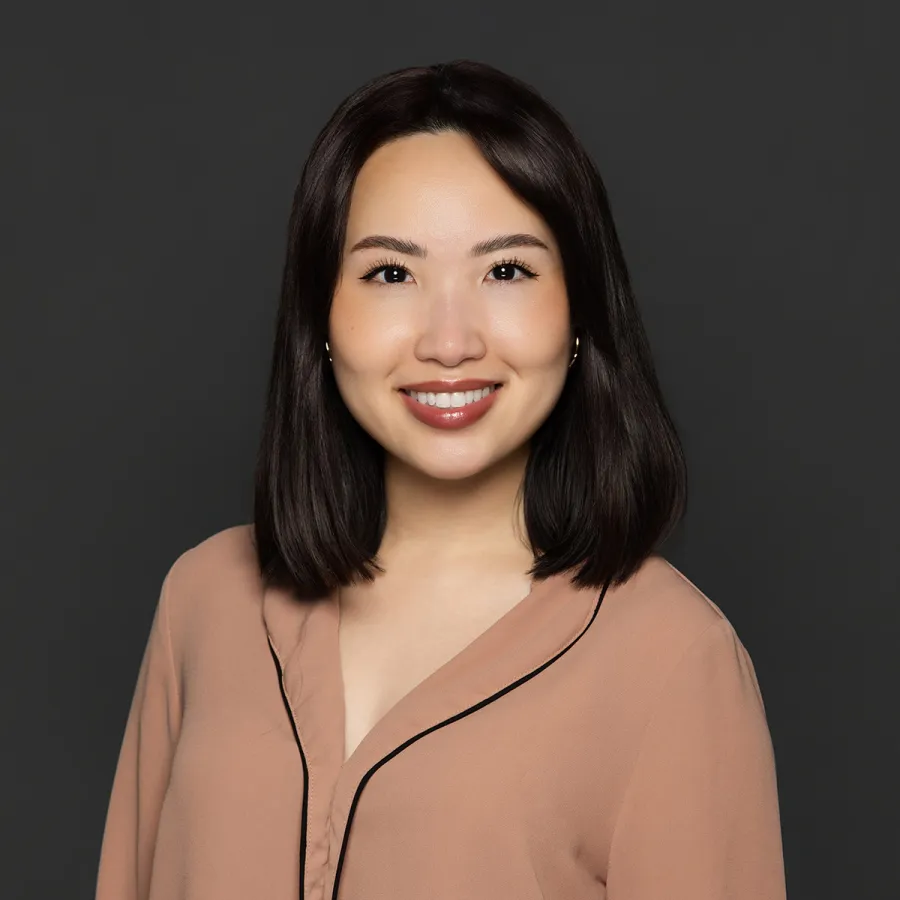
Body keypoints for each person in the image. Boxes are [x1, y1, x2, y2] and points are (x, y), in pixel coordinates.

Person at [95, 59, 787, 900]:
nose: (449, 341)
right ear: (321, 316)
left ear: (580, 315)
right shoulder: (203, 601)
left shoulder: (674, 658)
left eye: (507, 271)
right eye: (392, 273)